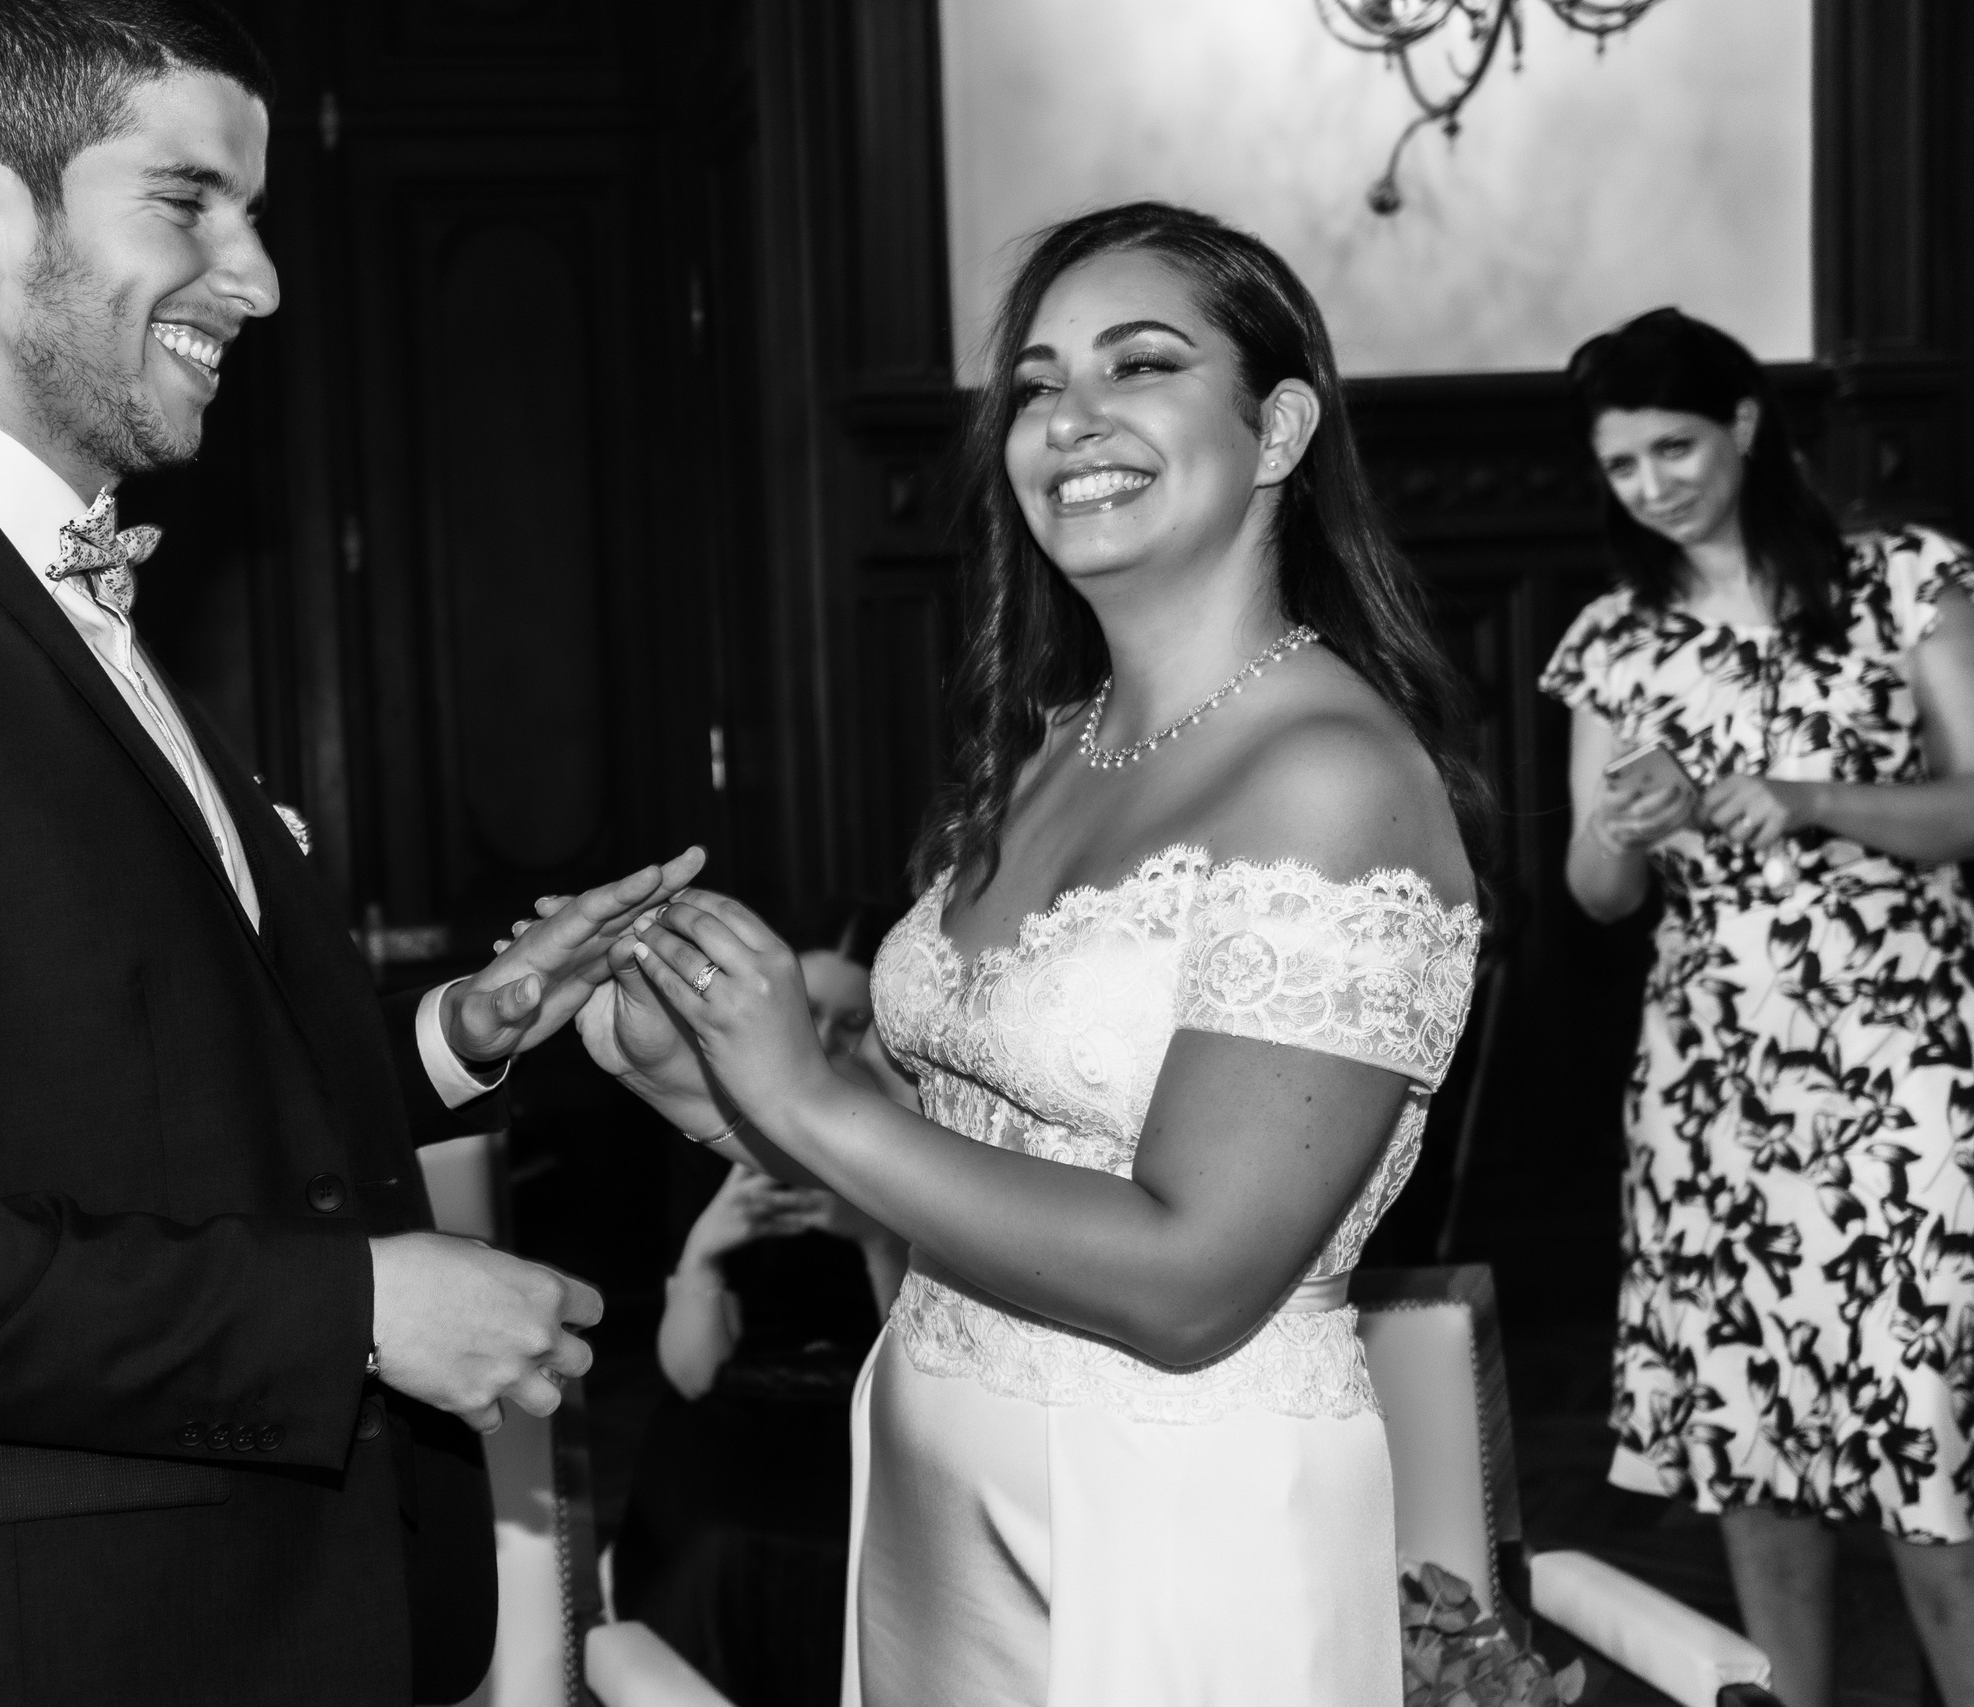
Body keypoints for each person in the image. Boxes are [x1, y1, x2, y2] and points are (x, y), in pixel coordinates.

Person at [0, 4, 701, 1703]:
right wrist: (350, 1313)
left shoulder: (64, 594)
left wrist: (458, 1031)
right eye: (186, 204)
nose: (253, 278)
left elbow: (119, 1093)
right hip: (1, 1645)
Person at [580, 201, 1486, 1705]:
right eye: (1038, 383)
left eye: (1139, 365)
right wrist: (701, 1070)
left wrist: (809, 1095)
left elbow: (1196, 1276)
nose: (1072, 421)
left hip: (1170, 1498)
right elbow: (947, 1151)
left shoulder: (1332, 775)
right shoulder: (1047, 748)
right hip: (937, 1457)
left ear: (1278, 429)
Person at [1540, 307, 1974, 1707]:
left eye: (1674, 444)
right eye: (1621, 465)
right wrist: (1632, 808)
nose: (1653, 483)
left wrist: (1803, 798)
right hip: (1715, 1079)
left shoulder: (1900, 578)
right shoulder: (1610, 640)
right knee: (1754, 1435)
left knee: (1929, 1445)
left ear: (1743, 423)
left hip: (1906, 1061)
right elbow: (1596, 890)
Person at [609, 901, 910, 1707]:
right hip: (732, 1408)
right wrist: (709, 1246)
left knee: (850, 1553)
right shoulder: (710, 1129)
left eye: (853, 1022)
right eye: (808, 1009)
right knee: (716, 1547)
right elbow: (692, 1372)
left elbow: (913, 1357)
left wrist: (874, 1237)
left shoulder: (908, 1141)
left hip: (860, 1410)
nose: (828, 1036)